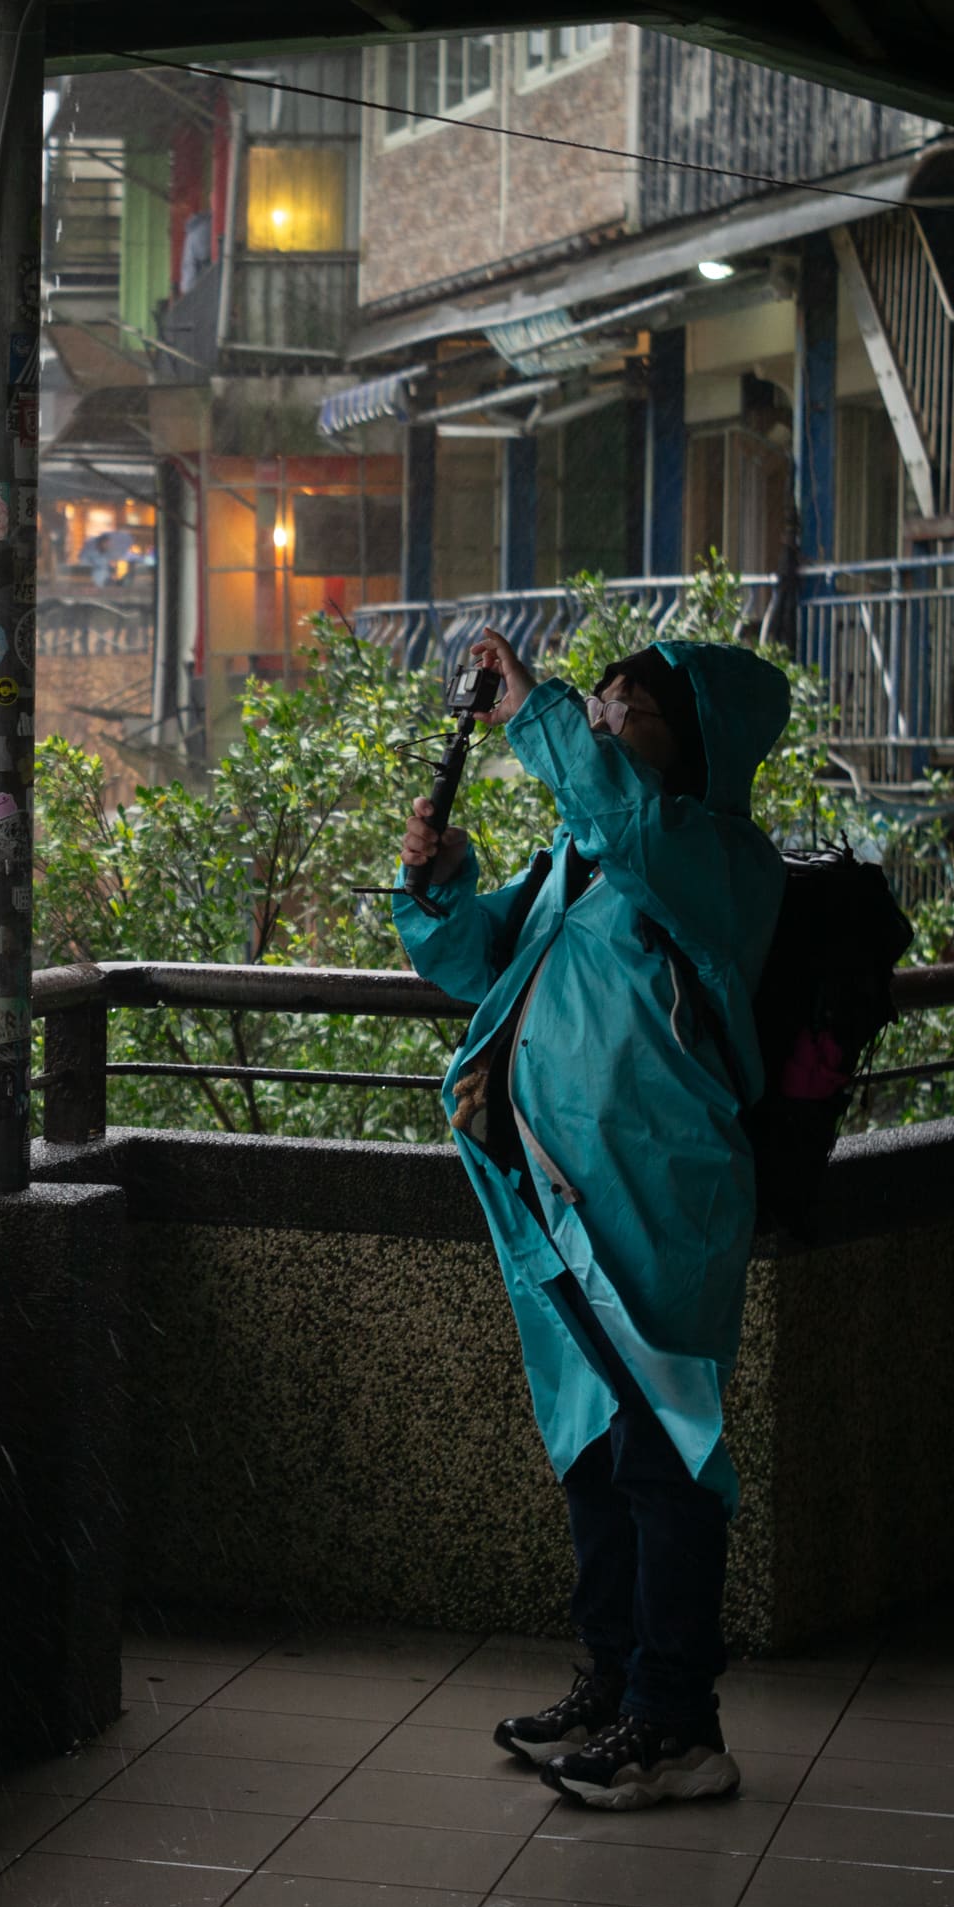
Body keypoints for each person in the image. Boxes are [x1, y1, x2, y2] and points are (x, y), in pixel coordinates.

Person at [392, 625, 789, 1812]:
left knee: (665, 1454)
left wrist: (540, 712)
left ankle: (680, 1722)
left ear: (700, 740)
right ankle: (615, 1680)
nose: (606, 720)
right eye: (601, 705)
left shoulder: (713, 857)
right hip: (559, 1201)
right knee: (595, 1450)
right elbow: (477, 962)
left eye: (632, 709)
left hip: (660, 1201)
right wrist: (438, 880)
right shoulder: (589, 852)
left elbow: (631, 819)